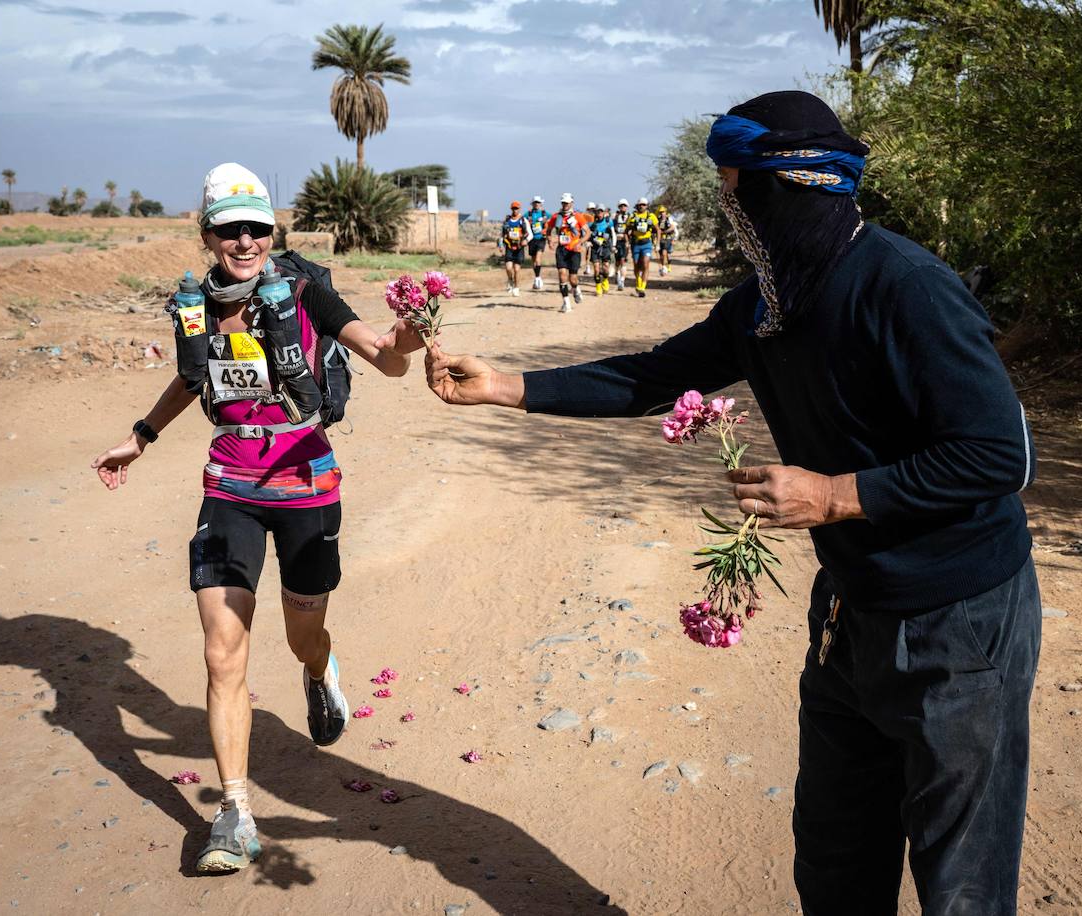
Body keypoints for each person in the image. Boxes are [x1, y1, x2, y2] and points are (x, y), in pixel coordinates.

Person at [423, 92, 1041, 915]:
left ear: (784, 188)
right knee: (835, 858)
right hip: (852, 616)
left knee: (959, 880)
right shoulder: (764, 304)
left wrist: (835, 494)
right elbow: (648, 376)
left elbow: (1002, 455)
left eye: (732, 186)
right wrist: (505, 386)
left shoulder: (906, 287)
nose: (725, 205)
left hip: (960, 622)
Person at [90, 163, 424, 875]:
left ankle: (317, 667)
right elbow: (192, 377)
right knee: (222, 652)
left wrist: (414, 335)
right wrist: (140, 437)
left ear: (274, 229)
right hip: (232, 485)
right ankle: (234, 814)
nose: (243, 240)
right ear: (207, 233)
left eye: (256, 227)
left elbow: (386, 360)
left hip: (305, 482)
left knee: (303, 631)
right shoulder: (199, 304)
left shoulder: (306, 291)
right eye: (228, 228)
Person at [544, 192, 591, 313]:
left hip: (574, 250)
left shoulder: (578, 216)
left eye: (567, 203)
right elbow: (548, 230)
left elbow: (588, 233)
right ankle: (566, 303)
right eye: (563, 202)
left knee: (573, 278)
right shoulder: (556, 217)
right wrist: (550, 240)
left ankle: (575, 289)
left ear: (571, 203)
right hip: (561, 250)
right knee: (562, 275)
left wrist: (579, 242)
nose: (565, 205)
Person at [497, 200, 533, 297]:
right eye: (513, 208)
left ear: (519, 209)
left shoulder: (523, 220)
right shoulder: (507, 221)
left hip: (519, 248)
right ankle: (510, 280)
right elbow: (502, 234)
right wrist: (500, 245)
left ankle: (516, 288)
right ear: (511, 209)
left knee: (517, 269)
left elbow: (530, 234)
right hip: (509, 247)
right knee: (508, 268)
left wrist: (526, 241)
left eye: (516, 208)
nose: (515, 210)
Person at [625, 197, 658, 297]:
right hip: (636, 243)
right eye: (640, 205)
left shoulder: (651, 216)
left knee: (645, 264)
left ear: (647, 206)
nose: (641, 206)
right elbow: (626, 230)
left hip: (647, 244)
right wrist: (627, 241)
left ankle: (643, 287)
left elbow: (658, 230)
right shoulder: (633, 216)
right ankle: (638, 282)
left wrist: (658, 243)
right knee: (636, 265)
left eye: (643, 205)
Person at [589, 204, 615, 296]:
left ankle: (605, 280)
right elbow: (588, 233)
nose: (599, 213)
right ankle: (598, 287)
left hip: (606, 247)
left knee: (605, 268)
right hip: (595, 248)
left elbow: (613, 234)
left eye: (601, 211)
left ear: (604, 212)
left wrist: (613, 245)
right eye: (597, 211)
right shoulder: (592, 222)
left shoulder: (608, 222)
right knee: (596, 269)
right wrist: (589, 241)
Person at [524, 195, 550, 290]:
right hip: (531, 239)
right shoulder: (528, 214)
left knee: (538, 259)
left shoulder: (544, 213)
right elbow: (521, 221)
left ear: (541, 204)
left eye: (538, 203)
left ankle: (538, 279)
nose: (537, 204)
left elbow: (553, 219)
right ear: (533, 204)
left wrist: (547, 228)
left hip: (541, 239)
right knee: (534, 261)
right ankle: (537, 277)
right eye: (535, 203)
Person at [611, 199, 631, 290]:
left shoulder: (630, 217)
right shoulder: (614, 216)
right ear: (619, 207)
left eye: (624, 206)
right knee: (617, 261)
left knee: (623, 260)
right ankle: (617, 274)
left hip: (625, 241)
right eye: (621, 206)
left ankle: (622, 281)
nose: (623, 207)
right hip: (616, 241)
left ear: (627, 207)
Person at [656, 205, 679, 276]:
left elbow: (673, 228)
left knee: (664, 252)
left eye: (663, 212)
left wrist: (674, 238)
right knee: (661, 255)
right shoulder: (658, 220)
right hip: (660, 239)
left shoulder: (669, 219)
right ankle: (664, 266)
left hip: (668, 238)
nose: (662, 213)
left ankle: (666, 267)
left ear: (666, 212)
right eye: (661, 212)